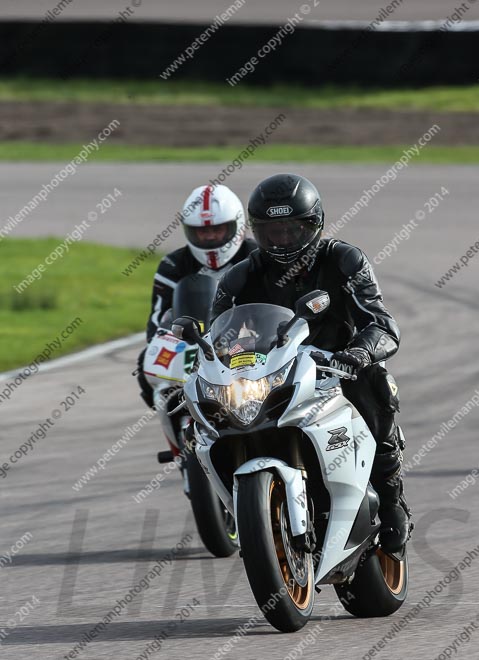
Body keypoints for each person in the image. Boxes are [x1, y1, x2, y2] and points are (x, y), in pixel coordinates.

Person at [210, 173, 413, 555]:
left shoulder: (343, 259)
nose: (283, 240)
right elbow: (216, 340)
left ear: (314, 224)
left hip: (337, 368)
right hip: (271, 374)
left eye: (292, 230)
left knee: (377, 384)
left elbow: (382, 324)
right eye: (272, 232)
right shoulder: (239, 277)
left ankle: (390, 500)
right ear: (257, 231)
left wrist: (360, 352)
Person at [136, 184, 256, 407]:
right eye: (202, 231)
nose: (210, 237)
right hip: (194, 344)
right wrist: (165, 343)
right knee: (146, 360)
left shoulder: (257, 257)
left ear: (236, 226)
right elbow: (157, 322)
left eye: (217, 230)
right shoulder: (173, 264)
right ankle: (180, 434)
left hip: (253, 341)